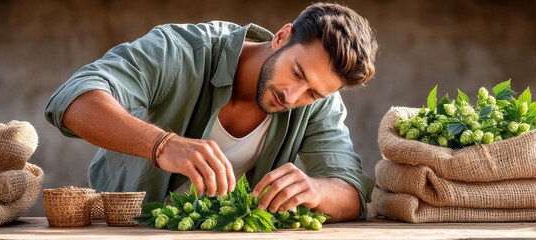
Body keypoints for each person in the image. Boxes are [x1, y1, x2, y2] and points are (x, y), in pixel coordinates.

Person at [45, 2, 377, 222]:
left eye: (313, 93)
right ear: (282, 37)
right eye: (297, 73)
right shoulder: (181, 51)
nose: (293, 96)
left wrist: (317, 191)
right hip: (126, 228)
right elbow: (72, 99)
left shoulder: (320, 101)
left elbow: (351, 190)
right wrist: (163, 145)